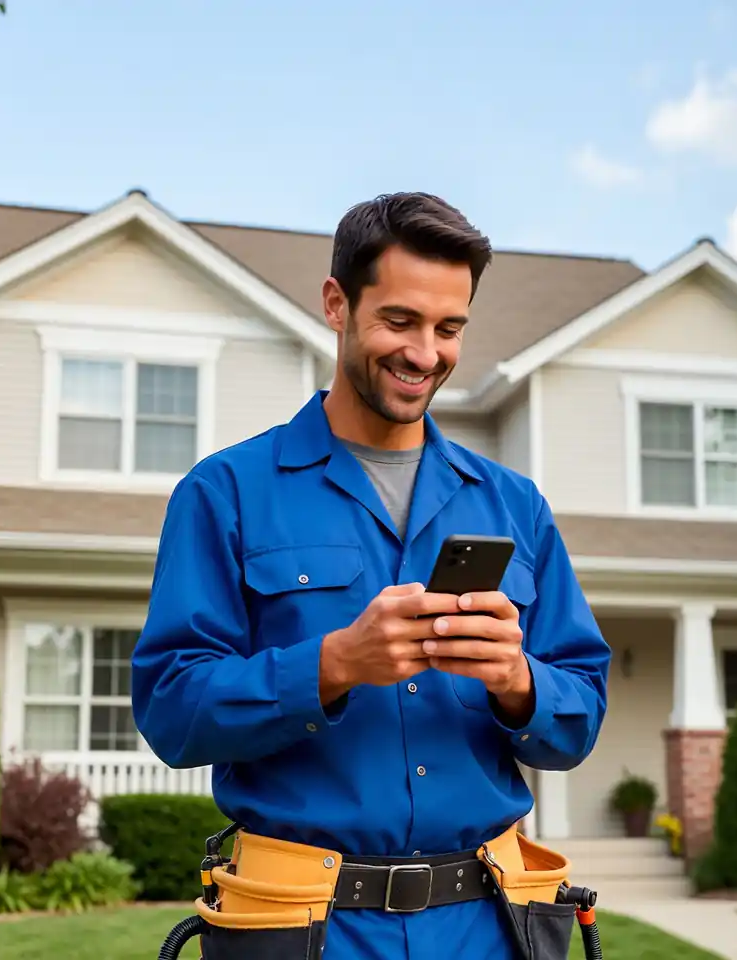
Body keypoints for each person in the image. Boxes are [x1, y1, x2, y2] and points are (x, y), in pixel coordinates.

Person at [131, 192, 612, 960]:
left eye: (448, 328)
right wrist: (332, 665)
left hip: (489, 927)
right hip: (301, 927)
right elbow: (170, 711)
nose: (426, 353)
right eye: (399, 321)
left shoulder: (515, 506)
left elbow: (580, 711)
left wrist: (519, 681)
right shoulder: (225, 494)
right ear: (336, 304)